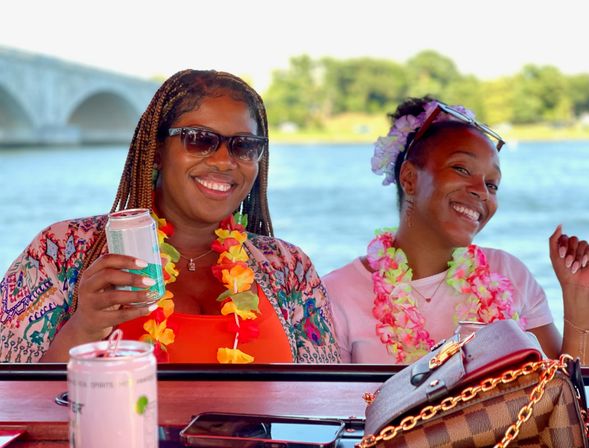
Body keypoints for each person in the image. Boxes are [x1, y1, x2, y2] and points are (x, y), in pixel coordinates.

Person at [0, 69, 340, 364]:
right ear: (158, 152)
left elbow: (329, 404)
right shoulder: (61, 251)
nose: (224, 161)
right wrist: (84, 327)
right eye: (199, 140)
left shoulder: (290, 268)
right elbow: (8, 399)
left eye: (244, 145)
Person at [323, 96, 589, 365]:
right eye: (461, 169)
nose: (481, 191)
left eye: (492, 185)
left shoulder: (510, 274)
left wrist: (579, 299)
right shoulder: (336, 294)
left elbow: (572, 400)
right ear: (409, 178)